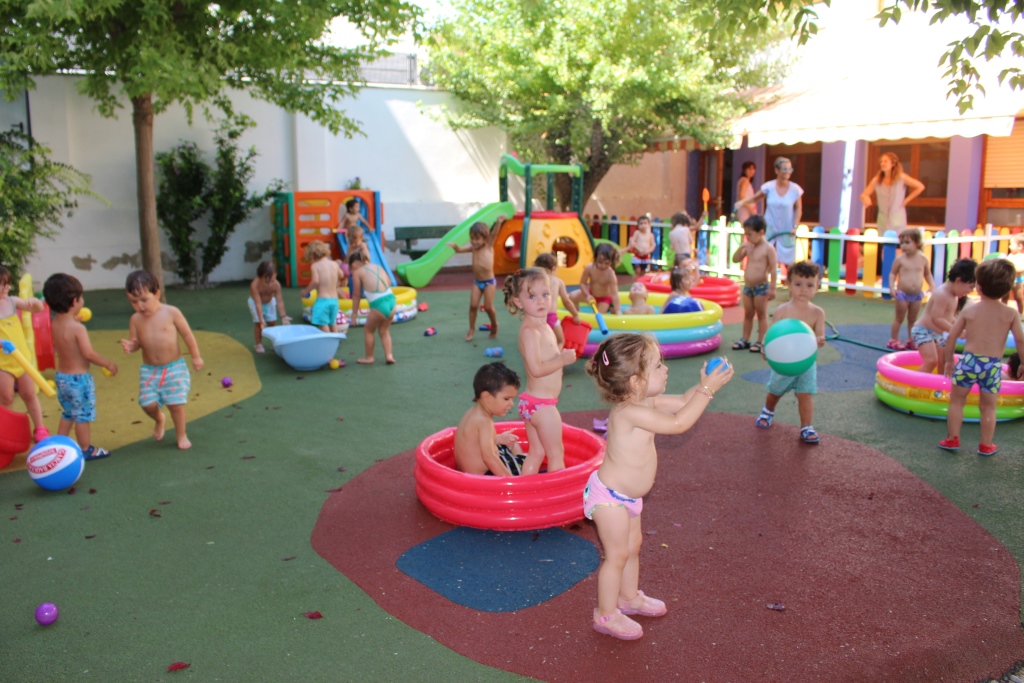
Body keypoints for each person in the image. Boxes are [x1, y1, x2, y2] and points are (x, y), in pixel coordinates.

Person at [584, 333, 733, 640]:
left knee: (632, 548)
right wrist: (706, 391)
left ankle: (628, 597)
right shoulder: (629, 412)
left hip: (629, 497)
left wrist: (706, 383)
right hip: (610, 499)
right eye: (658, 365)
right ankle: (606, 614)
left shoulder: (646, 400)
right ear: (636, 381)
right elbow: (679, 423)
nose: (666, 370)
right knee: (616, 556)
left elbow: (681, 403)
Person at [939, 259, 1024, 456]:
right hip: (992, 366)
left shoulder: (969, 310)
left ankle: (952, 439)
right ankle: (986, 444)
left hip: (969, 361)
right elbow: (1020, 340)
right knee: (988, 407)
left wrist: (950, 360)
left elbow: (951, 336)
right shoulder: (1011, 313)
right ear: (1007, 289)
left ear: (978, 285)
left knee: (957, 401)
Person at [503, 268, 577, 475]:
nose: (541, 301)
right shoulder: (530, 331)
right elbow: (536, 369)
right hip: (541, 406)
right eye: (532, 296)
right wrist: (562, 360)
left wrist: (560, 355)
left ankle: (525, 492)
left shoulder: (545, 327)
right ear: (518, 302)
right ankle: (557, 497)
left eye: (545, 294)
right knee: (556, 453)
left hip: (532, 403)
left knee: (537, 452)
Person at [120, 270, 204, 450]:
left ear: (157, 294)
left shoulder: (171, 312)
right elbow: (136, 343)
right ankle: (159, 418)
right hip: (150, 371)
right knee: (147, 404)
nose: (139, 306)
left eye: (144, 300)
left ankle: (181, 434)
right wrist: (130, 346)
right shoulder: (135, 319)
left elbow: (187, 335)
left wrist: (196, 356)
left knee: (176, 405)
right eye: (134, 302)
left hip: (174, 368)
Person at [43, 274, 118, 460]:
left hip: (62, 378)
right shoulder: (78, 329)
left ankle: (59, 443)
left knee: (68, 412)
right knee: (82, 416)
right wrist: (108, 363)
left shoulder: (55, 323)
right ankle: (86, 449)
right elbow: (88, 354)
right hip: (79, 380)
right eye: (81, 297)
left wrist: (74, 319)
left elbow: (65, 339)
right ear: (75, 301)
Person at [754, 261, 827, 444]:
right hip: (783, 362)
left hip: (806, 363)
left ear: (817, 287)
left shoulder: (818, 313)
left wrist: (819, 340)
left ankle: (806, 426)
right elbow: (772, 335)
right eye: (798, 284)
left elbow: (819, 337)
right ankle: (768, 411)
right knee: (775, 391)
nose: (804, 290)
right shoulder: (782, 311)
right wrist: (765, 347)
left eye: (810, 285)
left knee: (805, 394)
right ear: (788, 285)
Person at [0, 265, 49, 444]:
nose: (6, 288)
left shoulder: (12, 301)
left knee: (29, 393)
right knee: (6, 397)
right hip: (3, 364)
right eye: (2, 284)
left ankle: (40, 427)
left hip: (22, 360)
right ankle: (6, 430)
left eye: (7, 284)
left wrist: (35, 304)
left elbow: (37, 309)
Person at [453, 362, 526, 476]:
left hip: (470, 472)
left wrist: (498, 439)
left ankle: (516, 459)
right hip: (484, 477)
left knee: (510, 442)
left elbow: (475, 444)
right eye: (506, 399)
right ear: (486, 396)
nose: (511, 404)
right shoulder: (484, 421)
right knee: (529, 460)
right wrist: (511, 482)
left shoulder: (473, 413)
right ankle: (523, 471)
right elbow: (489, 458)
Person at [735, 157, 802, 279]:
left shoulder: (795, 189)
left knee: (788, 259)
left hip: (787, 228)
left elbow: (798, 208)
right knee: (764, 255)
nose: (787, 171)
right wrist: (742, 202)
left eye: (789, 169)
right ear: (777, 170)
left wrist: (795, 226)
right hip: (769, 227)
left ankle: (792, 288)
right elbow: (755, 198)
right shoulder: (769, 187)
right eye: (784, 169)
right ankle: (760, 283)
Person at [912, 259, 977, 375]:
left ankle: (941, 386)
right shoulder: (942, 294)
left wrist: (960, 327)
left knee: (944, 362)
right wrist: (955, 330)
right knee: (931, 361)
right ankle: (911, 385)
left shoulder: (955, 296)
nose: (971, 291)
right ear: (959, 281)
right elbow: (936, 318)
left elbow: (949, 317)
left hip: (937, 334)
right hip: (923, 331)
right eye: (970, 287)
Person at [448, 215, 506, 341]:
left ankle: (494, 325)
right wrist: (454, 246)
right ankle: (471, 328)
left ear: (485, 239)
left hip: (489, 282)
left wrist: (499, 222)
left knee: (488, 307)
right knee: (473, 306)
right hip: (477, 282)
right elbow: (459, 250)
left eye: (477, 239)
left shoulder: (488, 246)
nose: (474, 242)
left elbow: (494, 234)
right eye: (472, 239)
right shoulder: (473, 248)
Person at [731, 215, 777, 353]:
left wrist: (773, 288)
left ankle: (760, 341)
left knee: (761, 314)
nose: (747, 237)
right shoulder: (749, 247)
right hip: (748, 287)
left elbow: (774, 269)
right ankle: (745, 339)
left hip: (761, 287)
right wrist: (742, 247)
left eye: (750, 234)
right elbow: (735, 259)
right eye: (746, 234)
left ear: (761, 233)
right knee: (748, 313)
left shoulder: (768, 248)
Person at [887, 228, 935, 350]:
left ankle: (911, 340)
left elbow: (927, 274)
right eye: (902, 243)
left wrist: (932, 286)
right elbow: (892, 273)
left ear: (918, 243)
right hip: (902, 294)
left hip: (917, 295)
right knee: (899, 318)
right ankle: (894, 340)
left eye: (907, 243)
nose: (904, 246)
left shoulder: (923, 259)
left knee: (913, 319)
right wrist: (892, 287)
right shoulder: (900, 259)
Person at [349, 250, 396, 365]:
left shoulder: (357, 272)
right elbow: (389, 282)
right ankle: (389, 356)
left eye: (350, 268)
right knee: (384, 331)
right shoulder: (377, 266)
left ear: (354, 265)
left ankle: (369, 357)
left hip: (378, 304)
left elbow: (356, 295)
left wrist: (354, 314)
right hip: (392, 301)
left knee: (368, 330)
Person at [859, 152, 925, 232]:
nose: (882, 163)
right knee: (884, 243)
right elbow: (863, 194)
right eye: (881, 161)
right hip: (882, 220)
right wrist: (865, 198)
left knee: (898, 242)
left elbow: (920, 187)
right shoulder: (876, 180)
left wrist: (906, 201)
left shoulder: (901, 178)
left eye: (885, 161)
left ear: (893, 164)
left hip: (898, 220)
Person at [533, 252, 581, 350]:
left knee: (540, 341)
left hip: (535, 317)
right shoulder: (557, 282)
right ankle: (555, 360)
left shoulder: (533, 281)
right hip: (551, 317)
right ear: (554, 269)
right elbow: (566, 301)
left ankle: (538, 358)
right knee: (560, 341)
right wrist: (575, 314)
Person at [249, 261, 290, 354]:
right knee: (258, 323)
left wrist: (283, 317)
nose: (270, 283)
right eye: (267, 281)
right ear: (260, 277)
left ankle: (274, 342)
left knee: (272, 322)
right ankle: (259, 344)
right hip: (255, 303)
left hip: (270, 302)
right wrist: (261, 320)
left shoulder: (276, 285)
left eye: (272, 280)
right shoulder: (254, 285)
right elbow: (258, 303)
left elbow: (279, 301)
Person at [302, 241, 342, 334]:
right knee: (332, 322)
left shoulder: (315, 266)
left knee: (323, 324)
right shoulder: (334, 264)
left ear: (312, 256)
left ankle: (327, 341)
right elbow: (341, 274)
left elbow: (315, 281)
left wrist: (306, 291)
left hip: (323, 300)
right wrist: (337, 283)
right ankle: (335, 339)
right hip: (334, 300)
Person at [570, 243, 621, 314]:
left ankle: (610, 307)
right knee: (572, 297)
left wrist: (618, 310)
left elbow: (615, 294)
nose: (603, 266)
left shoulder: (610, 274)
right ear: (595, 259)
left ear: (611, 262)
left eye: (606, 263)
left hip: (604, 299)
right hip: (591, 294)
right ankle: (578, 315)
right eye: (600, 262)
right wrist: (587, 295)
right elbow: (582, 283)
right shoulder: (589, 268)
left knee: (597, 316)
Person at [620, 215, 656, 280]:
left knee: (643, 272)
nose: (643, 225)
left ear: (649, 225)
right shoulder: (637, 233)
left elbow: (653, 245)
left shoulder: (650, 235)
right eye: (641, 224)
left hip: (645, 257)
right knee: (637, 271)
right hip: (637, 256)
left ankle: (641, 284)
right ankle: (635, 283)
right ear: (638, 225)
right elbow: (632, 242)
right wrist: (639, 249)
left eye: (645, 223)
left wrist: (647, 251)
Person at [1003, 233, 1024, 315]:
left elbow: (1021, 269)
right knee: (1005, 296)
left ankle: (1020, 313)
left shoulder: (1021, 257)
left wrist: (1014, 269)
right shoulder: (1010, 256)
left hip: (1018, 280)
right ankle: (1002, 311)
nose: (1009, 246)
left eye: (1011, 245)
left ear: (1020, 246)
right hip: (1008, 279)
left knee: (1018, 297)